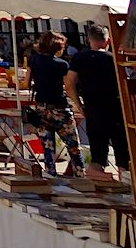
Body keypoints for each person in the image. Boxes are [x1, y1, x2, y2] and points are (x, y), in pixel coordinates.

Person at [65, 24, 130, 177]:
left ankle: (99, 177)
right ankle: (124, 178)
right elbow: (125, 83)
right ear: (108, 41)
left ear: (88, 40)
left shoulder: (79, 57)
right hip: (116, 107)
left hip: (93, 106)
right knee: (122, 149)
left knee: (97, 149)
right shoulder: (113, 59)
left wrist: (78, 104)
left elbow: (69, 83)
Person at [27, 30, 86, 177]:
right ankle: (79, 173)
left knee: (47, 145)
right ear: (57, 48)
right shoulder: (62, 65)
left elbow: (26, 82)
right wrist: (78, 104)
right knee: (72, 145)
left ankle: (50, 172)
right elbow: (69, 87)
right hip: (59, 108)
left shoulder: (33, 60)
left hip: (41, 107)